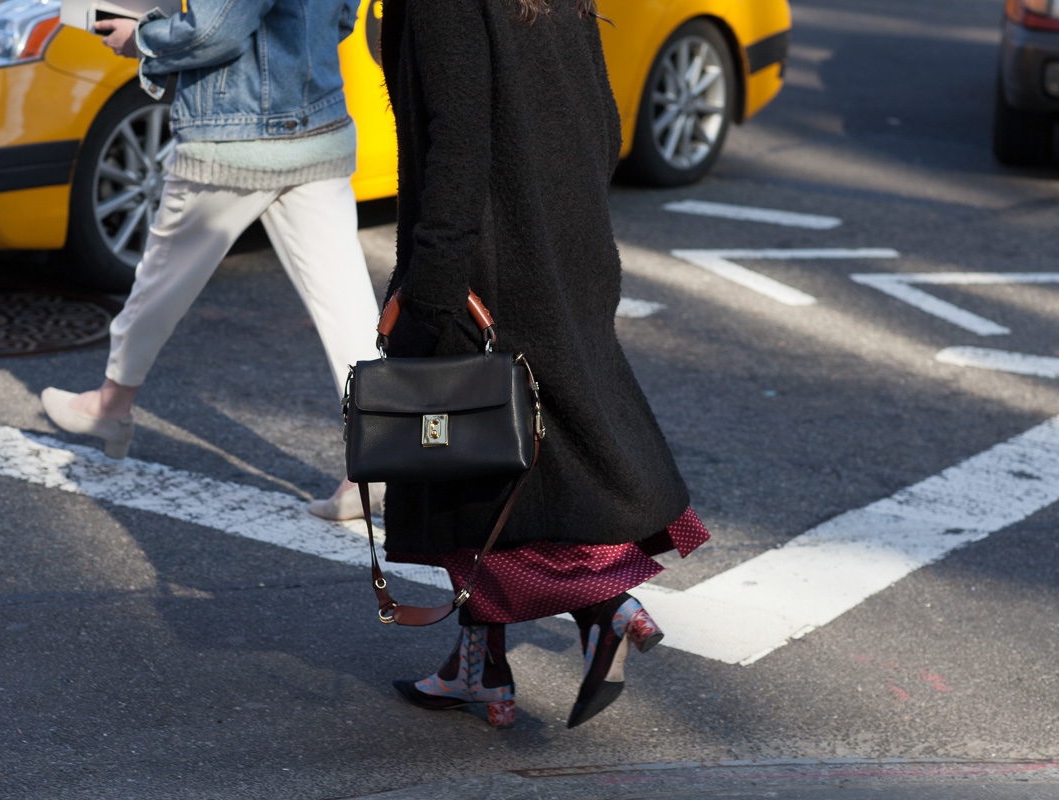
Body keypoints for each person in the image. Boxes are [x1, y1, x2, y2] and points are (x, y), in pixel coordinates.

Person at [377, 0, 711, 729]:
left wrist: (428, 300)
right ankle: (481, 667)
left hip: (487, 271)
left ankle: (604, 602)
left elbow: (456, 148)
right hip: (564, 251)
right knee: (499, 471)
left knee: (464, 456)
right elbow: (605, 122)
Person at [41, 0, 383, 520]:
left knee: (160, 279)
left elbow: (215, 30)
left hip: (233, 139)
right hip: (318, 129)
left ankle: (110, 406)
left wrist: (144, 39)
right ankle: (380, 465)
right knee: (347, 307)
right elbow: (340, 19)